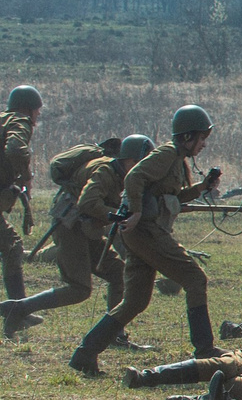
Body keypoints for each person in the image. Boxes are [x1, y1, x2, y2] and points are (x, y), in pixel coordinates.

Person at [69, 105, 224, 373]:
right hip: (147, 232)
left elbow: (169, 195)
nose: (204, 144)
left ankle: (85, 353)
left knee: (135, 301)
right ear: (187, 137)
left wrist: (201, 188)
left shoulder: (175, 159)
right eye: (201, 138)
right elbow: (134, 177)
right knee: (196, 279)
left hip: (142, 234)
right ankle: (205, 350)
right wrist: (138, 212)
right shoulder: (166, 154)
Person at [3, 132, 145, 335]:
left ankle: (114, 334)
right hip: (71, 227)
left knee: (117, 273)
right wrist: (116, 216)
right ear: (130, 161)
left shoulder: (118, 174)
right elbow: (88, 202)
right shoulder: (105, 170)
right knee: (79, 289)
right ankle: (18, 309)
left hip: (87, 229)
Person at [0, 85, 39, 338]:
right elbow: (15, 148)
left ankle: (19, 310)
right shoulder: (19, 121)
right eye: (37, 111)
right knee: (12, 245)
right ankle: (18, 310)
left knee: (11, 245)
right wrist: (26, 175)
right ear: (30, 109)